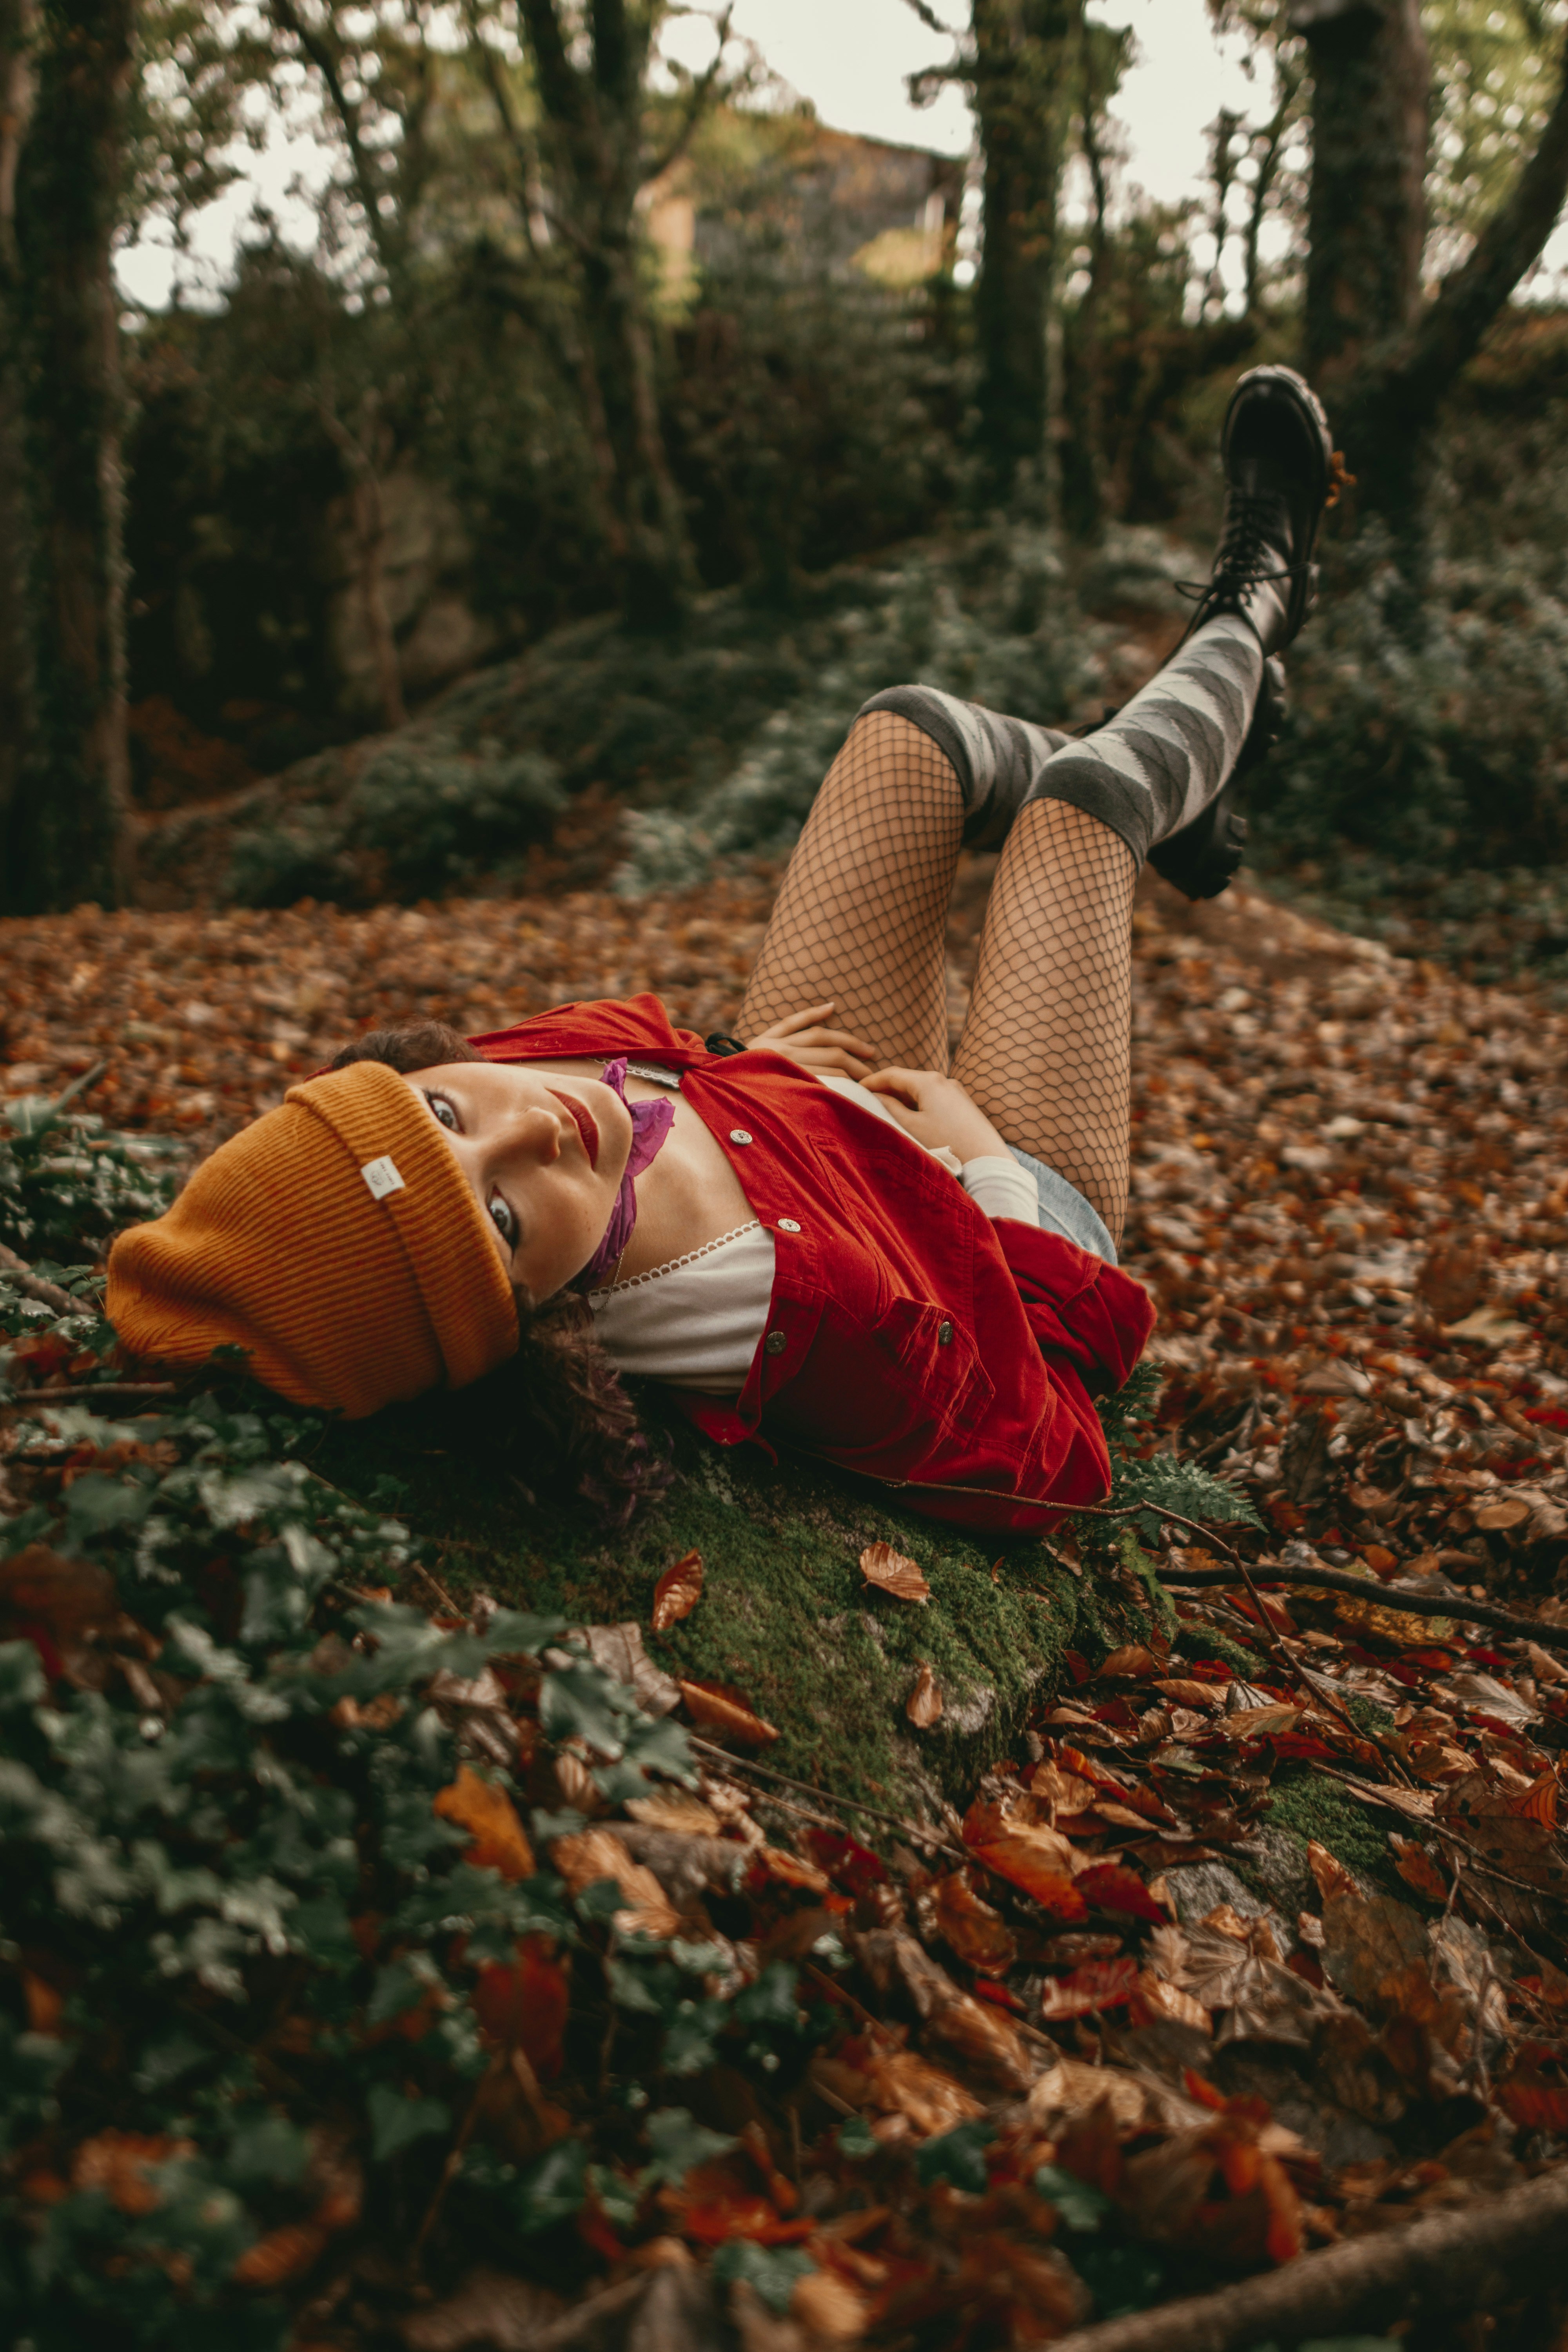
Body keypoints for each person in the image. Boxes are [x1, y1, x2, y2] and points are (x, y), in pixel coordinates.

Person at [107, 368, 1335, 1531]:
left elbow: (625, 1062)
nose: (530, 1128)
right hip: (1001, 1220)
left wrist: (728, 1062)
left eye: (440, 1113)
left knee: (909, 736)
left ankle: (1188, 771)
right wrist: (981, 1167)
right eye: (503, 1220)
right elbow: (1053, 1454)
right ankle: (1258, 602)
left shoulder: (500, 1081)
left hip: (801, 1100)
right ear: (541, 1330)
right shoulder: (786, 1318)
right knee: (1080, 812)